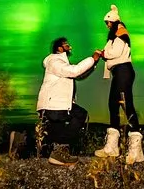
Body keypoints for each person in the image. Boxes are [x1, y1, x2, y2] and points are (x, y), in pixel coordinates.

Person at [36, 37, 102, 166]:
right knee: (80, 114)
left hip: (56, 104)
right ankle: (59, 152)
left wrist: (93, 64)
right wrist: (92, 59)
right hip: (54, 104)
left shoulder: (60, 62)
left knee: (58, 132)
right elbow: (74, 71)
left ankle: (58, 155)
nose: (69, 47)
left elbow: (79, 75)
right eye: (66, 45)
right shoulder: (54, 60)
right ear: (59, 48)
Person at [94, 4, 144, 164]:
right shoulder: (116, 35)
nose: (107, 25)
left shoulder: (121, 33)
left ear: (114, 21)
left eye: (108, 22)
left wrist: (103, 54)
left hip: (123, 71)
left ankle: (135, 150)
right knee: (114, 104)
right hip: (120, 72)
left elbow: (115, 52)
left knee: (125, 104)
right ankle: (112, 147)